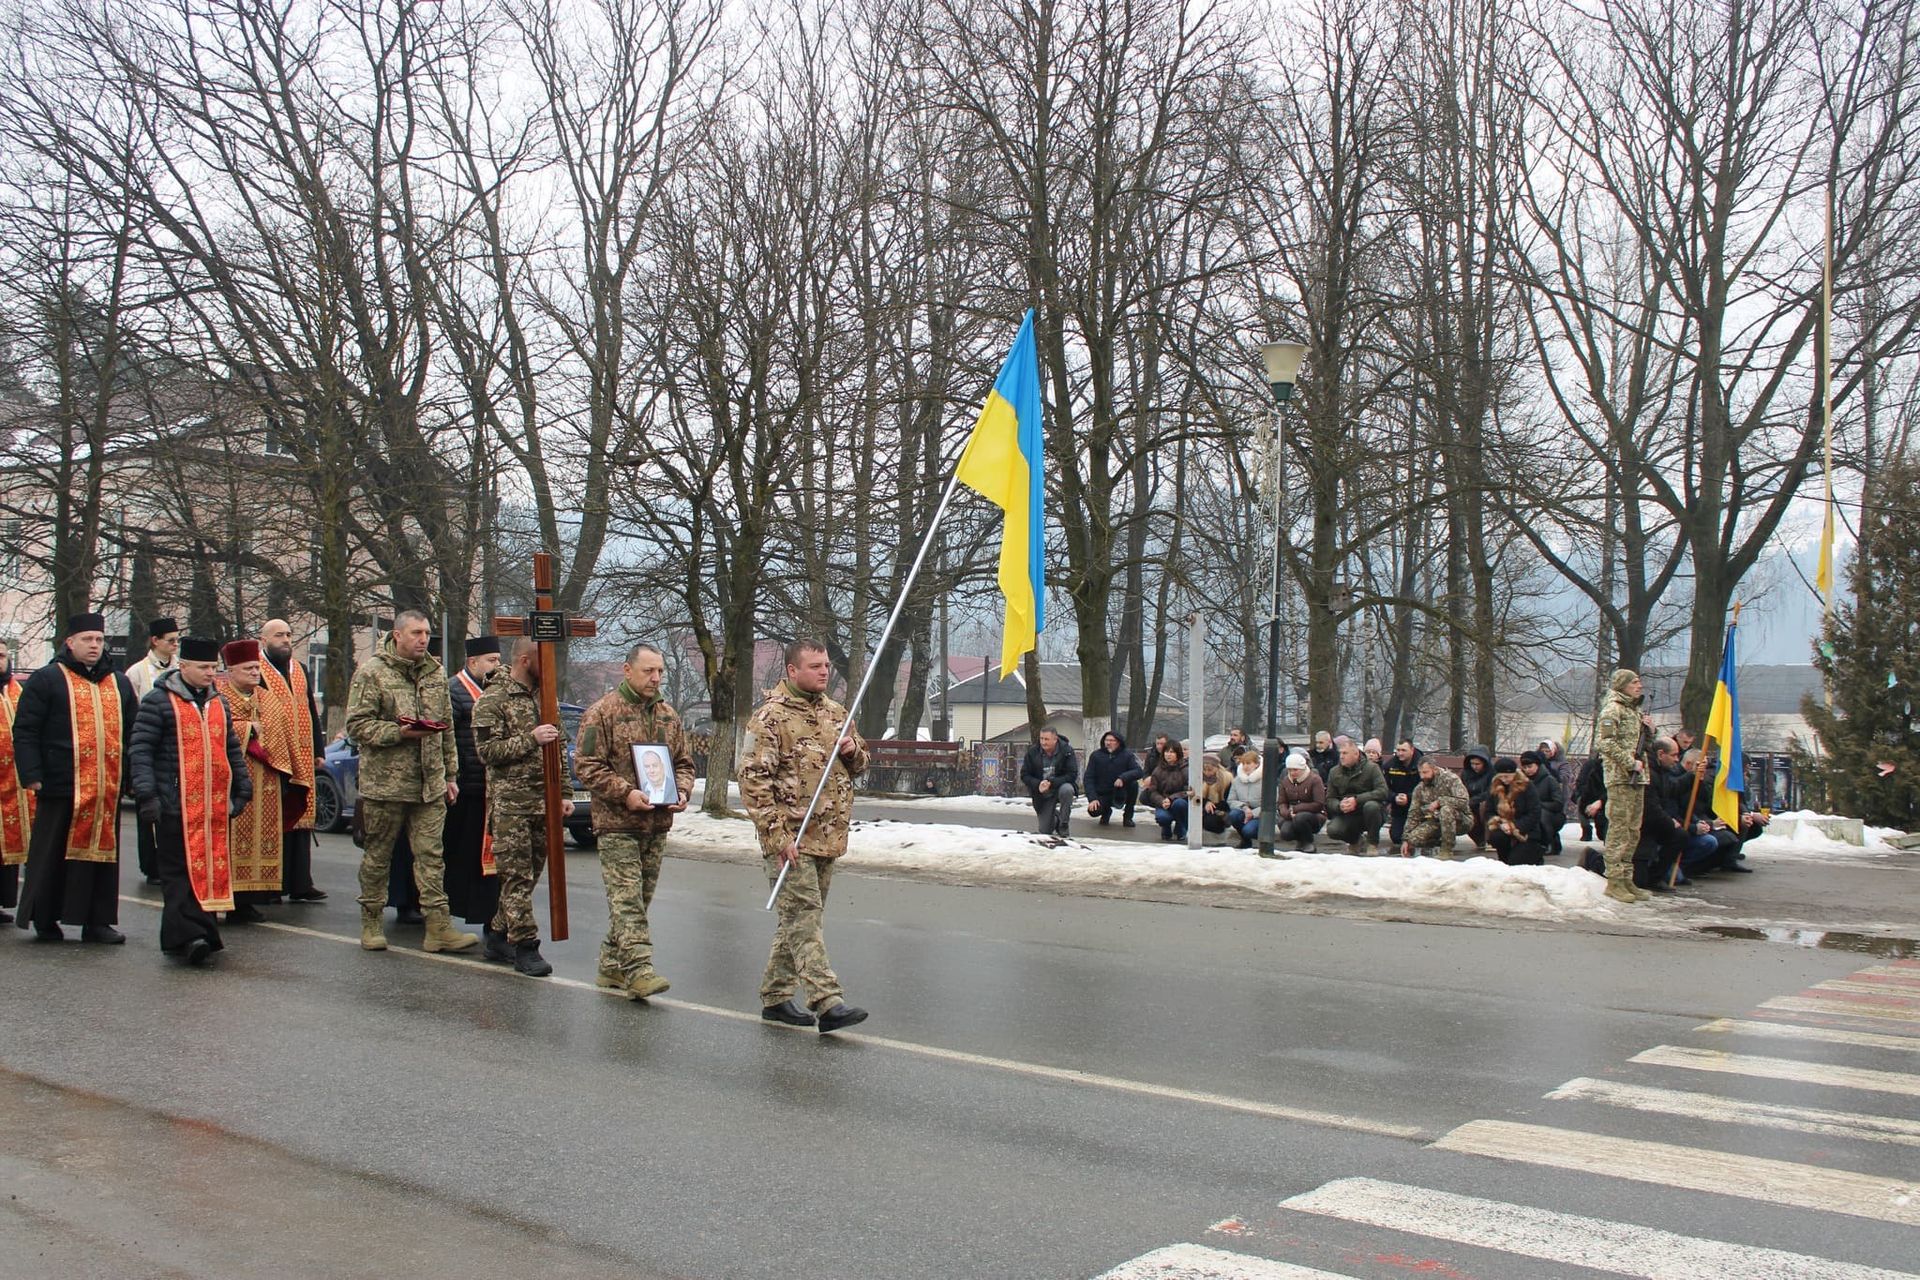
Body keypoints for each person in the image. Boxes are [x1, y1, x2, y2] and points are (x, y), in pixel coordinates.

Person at [739, 640, 871, 1034]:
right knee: (805, 918)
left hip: (827, 836)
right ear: (793, 671)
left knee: (797, 922)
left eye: (827, 665)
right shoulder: (770, 717)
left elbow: (861, 763)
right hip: (790, 839)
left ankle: (776, 996)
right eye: (815, 666)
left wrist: (851, 749)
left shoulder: (835, 713)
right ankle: (826, 1001)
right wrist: (776, 836)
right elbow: (752, 780)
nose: (824, 672)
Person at [345, 610, 476, 954]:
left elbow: (447, 727)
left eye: (427, 632)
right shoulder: (372, 672)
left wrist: (450, 774)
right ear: (398, 635)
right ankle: (371, 920)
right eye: (416, 632)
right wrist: (398, 732)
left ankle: (438, 927)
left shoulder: (434, 673)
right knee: (378, 857)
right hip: (385, 786)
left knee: (432, 857)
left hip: (429, 785)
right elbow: (357, 726)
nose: (423, 639)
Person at [574, 642, 694, 1001]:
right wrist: (625, 792)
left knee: (639, 899)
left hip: (656, 824)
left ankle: (611, 966)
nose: (655, 678)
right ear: (627, 671)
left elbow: (684, 764)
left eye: (659, 672)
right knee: (627, 902)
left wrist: (682, 791)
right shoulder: (602, 713)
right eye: (648, 671)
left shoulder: (668, 716)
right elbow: (587, 765)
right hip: (617, 823)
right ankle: (639, 970)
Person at [12, 612, 139, 943]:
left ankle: (96, 921)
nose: (94, 645)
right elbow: (25, 731)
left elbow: (133, 732)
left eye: (99, 640)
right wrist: (33, 775)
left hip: (105, 785)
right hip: (60, 783)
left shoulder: (119, 683)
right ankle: (45, 917)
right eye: (87, 639)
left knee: (100, 858)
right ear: (70, 642)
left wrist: (131, 775)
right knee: (52, 854)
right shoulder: (47, 679)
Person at [128, 637, 251, 965]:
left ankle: (203, 933)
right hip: (173, 804)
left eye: (214, 667)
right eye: (203, 667)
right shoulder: (158, 701)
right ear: (183, 667)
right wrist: (147, 795)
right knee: (178, 872)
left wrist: (242, 788)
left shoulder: (218, 703)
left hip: (211, 806)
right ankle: (187, 936)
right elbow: (140, 751)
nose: (211, 673)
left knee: (207, 869)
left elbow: (230, 750)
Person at [471, 638, 572, 978]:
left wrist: (566, 793)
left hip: (543, 803)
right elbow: (487, 752)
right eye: (546, 661)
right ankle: (526, 947)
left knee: (528, 879)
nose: (552, 670)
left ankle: (499, 934)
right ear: (526, 660)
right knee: (516, 878)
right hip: (511, 807)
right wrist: (531, 738)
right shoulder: (492, 700)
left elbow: (560, 748)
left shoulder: (547, 699)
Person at [257, 619, 326, 902]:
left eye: (288, 634)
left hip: (303, 750)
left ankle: (300, 882)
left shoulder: (299, 669)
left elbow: (310, 708)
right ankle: (274, 883)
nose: (285, 640)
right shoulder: (256, 670)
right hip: (273, 755)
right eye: (278, 635)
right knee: (278, 817)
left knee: (302, 816)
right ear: (264, 640)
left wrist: (318, 749)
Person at [218, 640, 283, 922]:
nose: (255, 673)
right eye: (248, 668)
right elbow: (216, 729)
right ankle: (228, 898)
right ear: (231, 670)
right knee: (231, 840)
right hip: (232, 777)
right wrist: (247, 729)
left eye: (257, 667)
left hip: (265, 778)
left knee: (260, 838)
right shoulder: (219, 696)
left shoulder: (267, 698)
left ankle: (249, 899)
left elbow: (279, 731)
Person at [444, 635, 502, 929]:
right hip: (466, 785)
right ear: (472, 662)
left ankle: (486, 914)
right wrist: (451, 775)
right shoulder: (454, 690)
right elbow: (449, 737)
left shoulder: (497, 691)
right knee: (461, 853)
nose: (496, 666)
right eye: (491, 661)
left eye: (498, 660)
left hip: (491, 787)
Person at [124, 616, 180, 886]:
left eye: (177, 641)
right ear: (155, 641)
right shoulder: (136, 672)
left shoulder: (182, 669)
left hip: (176, 749)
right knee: (149, 811)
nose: (174, 646)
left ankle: (172, 862)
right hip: (148, 745)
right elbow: (130, 715)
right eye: (170, 641)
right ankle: (151, 866)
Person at [1596, 667, 1654, 903]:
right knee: (1619, 829)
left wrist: (1650, 730)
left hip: (1637, 777)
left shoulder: (1635, 711)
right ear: (1622, 685)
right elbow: (1605, 744)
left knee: (1632, 830)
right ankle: (1614, 881)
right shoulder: (1612, 710)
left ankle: (1627, 877)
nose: (1639, 686)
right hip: (1620, 776)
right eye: (1634, 682)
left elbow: (1642, 743)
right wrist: (1630, 763)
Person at [0, 638, 32, 924]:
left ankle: (2, 901)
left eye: (2, 656)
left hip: (13, 781)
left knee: (8, 846)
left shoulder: (18, 692)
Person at [1324, 739, 1388, 853]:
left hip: (1369, 811)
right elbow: (1330, 798)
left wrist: (1357, 800)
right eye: (1340, 753)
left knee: (1371, 806)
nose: (1341, 757)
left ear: (1356, 754)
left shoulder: (1372, 768)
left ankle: (1372, 843)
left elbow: (1382, 791)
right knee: (1333, 830)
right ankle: (1355, 841)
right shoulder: (1334, 772)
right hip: (1347, 812)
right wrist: (1339, 806)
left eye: (1345, 753)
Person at [1401, 758, 1472, 858]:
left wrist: (1440, 802)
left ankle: (1447, 850)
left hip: (1460, 820)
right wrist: (1406, 839)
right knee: (1413, 839)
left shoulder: (1451, 779)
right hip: (1435, 821)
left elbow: (1464, 801)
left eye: (1425, 772)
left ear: (1434, 769)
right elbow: (1413, 813)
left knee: (1445, 809)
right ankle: (1439, 842)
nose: (1422, 776)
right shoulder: (1420, 788)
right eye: (1420, 773)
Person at [1020, 727, 1078, 836]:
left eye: (1046, 739)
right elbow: (1024, 775)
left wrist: (1052, 782)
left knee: (1067, 790)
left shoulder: (1067, 750)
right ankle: (1055, 818)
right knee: (1045, 830)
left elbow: (1072, 774)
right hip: (1042, 791)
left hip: (1060, 786)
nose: (1043, 742)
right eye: (1041, 739)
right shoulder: (1033, 752)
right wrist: (1038, 784)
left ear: (1055, 739)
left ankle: (1064, 824)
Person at [1487, 755, 1544, 866]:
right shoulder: (1496, 787)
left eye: (1507, 776)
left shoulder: (1526, 786)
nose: (1504, 780)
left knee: (1515, 864)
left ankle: (1534, 855)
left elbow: (1534, 813)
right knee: (1496, 837)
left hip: (1526, 831)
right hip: (1504, 829)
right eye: (1501, 777)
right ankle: (1505, 857)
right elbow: (1489, 811)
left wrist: (1513, 826)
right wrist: (1500, 823)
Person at [1081, 731, 1142, 827]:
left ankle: (1128, 817)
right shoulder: (1096, 756)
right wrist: (1092, 798)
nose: (1108, 743)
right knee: (1093, 811)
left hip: (1121, 792)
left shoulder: (1127, 755)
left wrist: (1123, 778)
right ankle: (1106, 812)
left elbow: (1138, 771)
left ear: (1118, 742)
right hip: (1103, 793)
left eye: (1112, 740)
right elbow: (1088, 778)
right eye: (1106, 740)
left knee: (1134, 784)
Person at [1271, 752, 1328, 852]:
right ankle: (1300, 841)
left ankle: (1308, 842)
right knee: (1285, 832)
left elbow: (1319, 803)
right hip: (1292, 814)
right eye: (1290, 770)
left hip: (1314, 814)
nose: (1292, 773)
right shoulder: (1285, 781)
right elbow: (1282, 802)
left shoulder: (1315, 779)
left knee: (1300, 818)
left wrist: (1297, 809)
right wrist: (1287, 813)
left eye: (1295, 770)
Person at [1521, 749, 1564, 857]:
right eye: (1525, 767)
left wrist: (1539, 805)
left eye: (1530, 766)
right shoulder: (1521, 781)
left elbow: (1558, 803)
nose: (1527, 770)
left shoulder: (1550, 780)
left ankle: (1547, 842)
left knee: (1541, 814)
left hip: (1551, 814)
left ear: (1538, 765)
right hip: (1528, 812)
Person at [1144, 743, 1191, 841]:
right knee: (1162, 817)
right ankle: (1166, 827)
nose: (1168, 755)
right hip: (1163, 802)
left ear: (1178, 754)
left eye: (1172, 752)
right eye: (1166, 752)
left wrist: (1171, 799)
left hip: (1179, 801)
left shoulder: (1185, 769)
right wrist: (1161, 801)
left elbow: (1188, 791)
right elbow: (1153, 791)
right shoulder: (1158, 770)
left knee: (1180, 804)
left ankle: (1180, 827)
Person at [1382, 739, 1423, 848]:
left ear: (1412, 750)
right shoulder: (1390, 765)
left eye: (1403, 750)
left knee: (1419, 838)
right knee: (1397, 837)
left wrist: (1409, 798)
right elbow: (1383, 788)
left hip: (1419, 807)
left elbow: (1427, 789)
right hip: (1399, 808)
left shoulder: (1422, 765)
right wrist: (1394, 797)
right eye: (1398, 750)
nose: (1400, 753)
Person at [1225, 750, 1263, 848]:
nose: (1245, 766)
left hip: (1260, 814)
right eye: (1243, 763)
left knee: (1248, 831)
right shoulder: (1237, 780)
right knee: (1233, 815)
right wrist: (1245, 808)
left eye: (1249, 763)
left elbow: (1271, 804)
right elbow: (1231, 800)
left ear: (1256, 764)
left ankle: (1259, 840)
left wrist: (1253, 813)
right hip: (1243, 810)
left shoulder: (1265, 780)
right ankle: (1245, 840)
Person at [1461, 744, 1494, 849]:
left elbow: (1491, 792)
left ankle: (1489, 840)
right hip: (1469, 803)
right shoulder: (1466, 773)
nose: (1474, 766)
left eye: (1477, 764)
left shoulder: (1492, 773)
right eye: (1472, 763)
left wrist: (1474, 800)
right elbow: (1461, 790)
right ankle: (1479, 840)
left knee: (1484, 807)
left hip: (1485, 803)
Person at [1574, 750, 1607, 843]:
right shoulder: (1594, 768)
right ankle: (1586, 829)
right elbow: (1584, 783)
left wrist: (1601, 801)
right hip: (1593, 798)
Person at [1197, 755, 1233, 836]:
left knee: (1212, 822)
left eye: (1210, 770)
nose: (1207, 773)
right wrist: (1206, 802)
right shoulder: (1198, 778)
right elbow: (1195, 797)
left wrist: (1216, 807)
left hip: (1221, 806)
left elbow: (1228, 798)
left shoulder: (1226, 778)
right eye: (1204, 770)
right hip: (1202, 805)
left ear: (1217, 768)